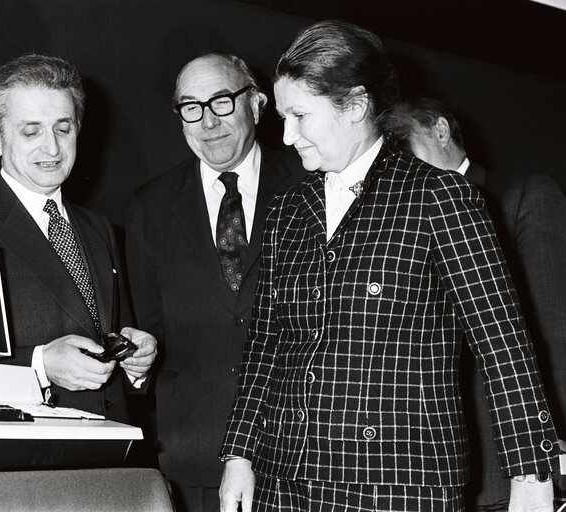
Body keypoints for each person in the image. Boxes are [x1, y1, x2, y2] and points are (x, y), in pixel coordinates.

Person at [219, 20, 559, 512]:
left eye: (300, 116)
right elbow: (265, 344)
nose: (287, 136)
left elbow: (502, 342)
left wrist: (531, 476)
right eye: (283, 117)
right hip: (285, 482)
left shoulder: (440, 197)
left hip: (398, 487)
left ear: (356, 106)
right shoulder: (289, 211)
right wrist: (239, 454)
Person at [0, 54, 157, 422]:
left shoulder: (100, 230)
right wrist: (40, 364)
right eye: (31, 131)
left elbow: (113, 346)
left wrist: (136, 362)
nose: (51, 148)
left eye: (63, 129)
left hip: (111, 452)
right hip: (22, 458)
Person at [124, 52, 304, 512]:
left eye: (222, 102)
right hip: (194, 456)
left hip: (304, 449)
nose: (208, 122)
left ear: (259, 104)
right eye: (191, 107)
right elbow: (148, 325)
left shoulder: (311, 185)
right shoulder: (149, 207)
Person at [386, 96, 566, 506]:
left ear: (440, 130)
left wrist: (549, 451)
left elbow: (555, 327)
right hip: (427, 465)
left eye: (400, 142)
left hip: (509, 461)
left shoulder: (522, 195)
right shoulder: (397, 222)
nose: (393, 159)